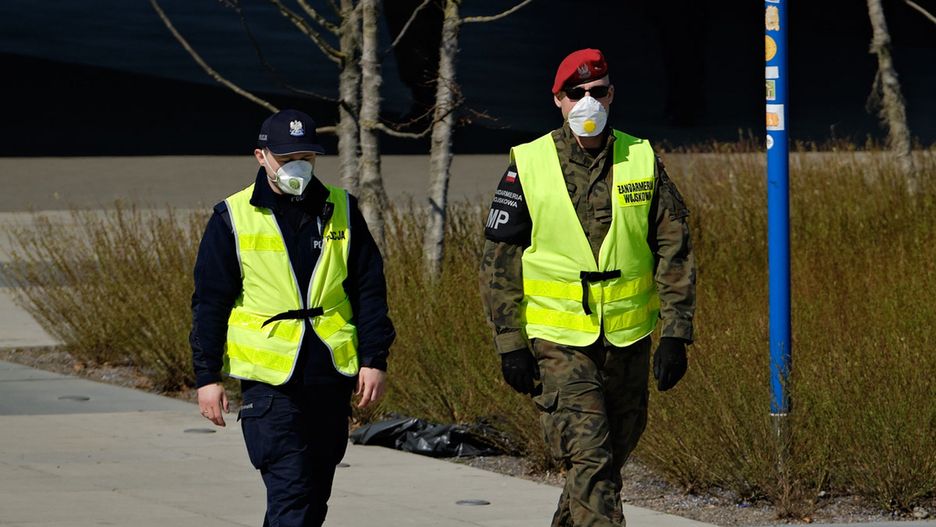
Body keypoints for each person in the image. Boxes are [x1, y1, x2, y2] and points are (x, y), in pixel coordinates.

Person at [479, 49, 696, 527]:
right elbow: (499, 260)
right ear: (558, 99)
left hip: (627, 339)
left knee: (604, 463)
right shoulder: (529, 163)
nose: (588, 101)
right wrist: (510, 343)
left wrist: (677, 334)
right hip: (559, 343)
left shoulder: (641, 157)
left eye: (598, 92)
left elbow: (674, 247)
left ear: (612, 94)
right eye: (576, 94)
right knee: (592, 460)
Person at [190, 109, 395, 527]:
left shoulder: (341, 208)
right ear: (261, 157)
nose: (298, 166)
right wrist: (206, 377)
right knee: (292, 493)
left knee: (313, 498)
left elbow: (369, 289)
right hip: (271, 385)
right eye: (286, 157)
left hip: (330, 374)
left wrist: (374, 359)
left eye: (307, 156)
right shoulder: (232, 217)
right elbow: (210, 302)